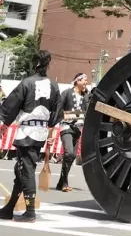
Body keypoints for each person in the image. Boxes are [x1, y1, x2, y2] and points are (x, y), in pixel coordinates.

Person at [0, 49, 61, 223]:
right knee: (20, 169)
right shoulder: (54, 86)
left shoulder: (26, 83)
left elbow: (10, 107)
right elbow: (56, 114)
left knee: (25, 169)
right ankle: (10, 207)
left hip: (26, 131)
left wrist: (3, 125)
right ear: (48, 65)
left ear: (34, 64)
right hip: (40, 132)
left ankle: (30, 211)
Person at [56, 72, 89, 192]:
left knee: (72, 156)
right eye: (85, 80)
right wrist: (62, 114)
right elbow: (58, 107)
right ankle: (64, 182)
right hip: (66, 127)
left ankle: (61, 182)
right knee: (69, 153)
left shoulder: (86, 96)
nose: (86, 82)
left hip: (78, 128)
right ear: (77, 81)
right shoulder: (67, 93)